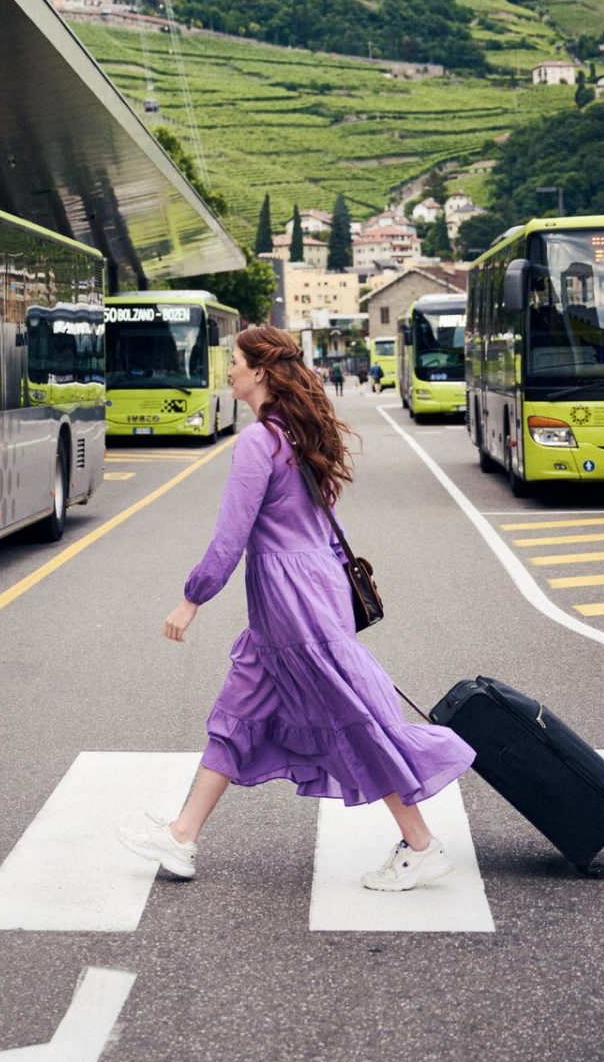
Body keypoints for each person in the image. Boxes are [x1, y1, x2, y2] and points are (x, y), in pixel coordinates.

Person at [117, 324, 475, 892]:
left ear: (259, 371)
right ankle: (182, 837)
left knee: (351, 715)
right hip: (304, 594)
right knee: (239, 711)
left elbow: (230, 538)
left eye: (234, 360)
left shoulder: (260, 441)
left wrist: (192, 598)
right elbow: (321, 525)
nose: (228, 369)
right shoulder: (298, 433)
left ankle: (422, 844)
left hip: (292, 603)